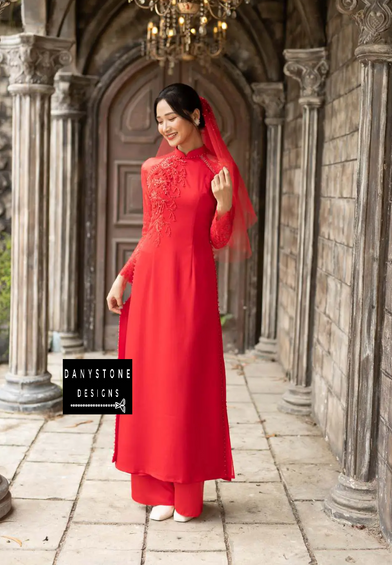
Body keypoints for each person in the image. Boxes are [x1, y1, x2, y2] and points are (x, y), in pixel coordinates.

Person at [106, 83, 257, 523]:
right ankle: (157, 489)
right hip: (151, 283)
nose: (165, 127)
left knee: (184, 382)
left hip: (191, 284)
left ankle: (185, 490)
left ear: (195, 116)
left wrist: (224, 205)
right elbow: (151, 232)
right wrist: (123, 276)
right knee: (150, 382)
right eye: (159, 120)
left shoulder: (218, 170)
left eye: (171, 117)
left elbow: (216, 240)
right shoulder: (152, 167)